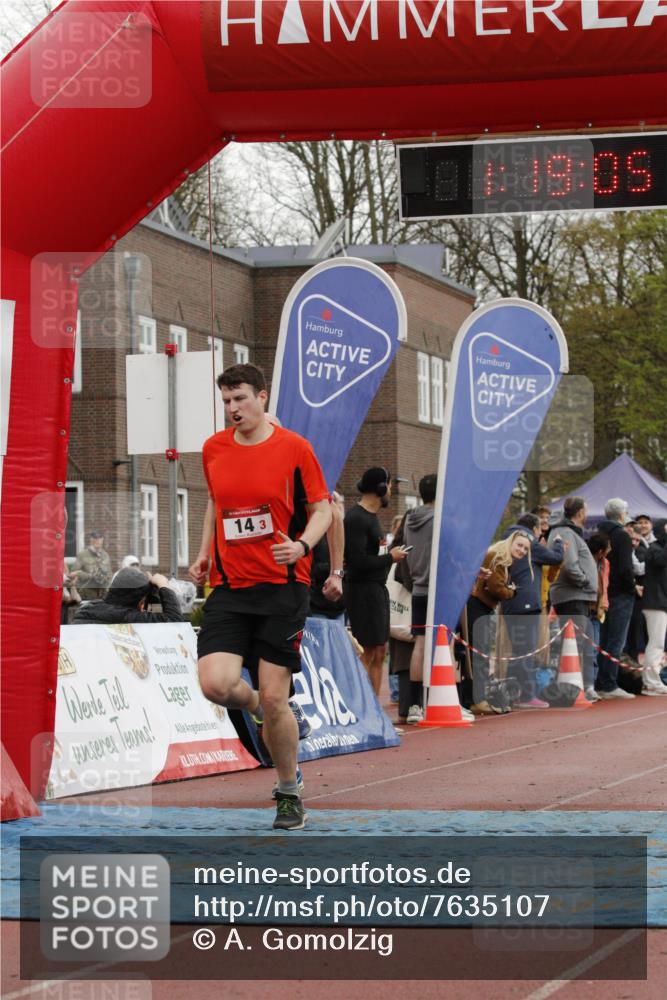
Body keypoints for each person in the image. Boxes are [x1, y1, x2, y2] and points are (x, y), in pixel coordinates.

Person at [189, 363, 331, 832]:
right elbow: (215, 502)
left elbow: (323, 508)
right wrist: (204, 552)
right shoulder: (213, 449)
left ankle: (288, 792)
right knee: (216, 684)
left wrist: (303, 545)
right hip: (231, 587)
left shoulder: (294, 448)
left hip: (283, 588)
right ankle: (257, 709)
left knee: (275, 697)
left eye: (241, 399)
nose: (233, 409)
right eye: (226, 401)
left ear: (262, 397)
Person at [343, 467, 408, 695]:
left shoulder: (371, 519)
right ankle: (364, 709)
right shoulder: (355, 519)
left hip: (376, 590)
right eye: (389, 485)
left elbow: (372, 555)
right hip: (363, 592)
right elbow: (356, 561)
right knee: (367, 651)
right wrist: (392, 557)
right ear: (381, 488)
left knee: (379, 650)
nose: (390, 490)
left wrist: (390, 553)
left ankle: (374, 711)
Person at [501, 513, 565, 708]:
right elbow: (556, 558)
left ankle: (514, 693)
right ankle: (527, 696)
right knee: (527, 649)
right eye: (539, 530)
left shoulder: (508, 538)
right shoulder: (527, 541)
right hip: (527, 602)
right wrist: (559, 543)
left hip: (511, 602)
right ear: (534, 529)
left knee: (518, 650)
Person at [465, 530, 530, 715]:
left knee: (477, 654)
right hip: (477, 607)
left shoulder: (502, 560)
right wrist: (512, 591)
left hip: (481, 607)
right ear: (510, 542)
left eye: (525, 548)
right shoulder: (498, 557)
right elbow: (496, 588)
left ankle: (472, 698)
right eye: (519, 545)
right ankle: (477, 700)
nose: (522, 550)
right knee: (479, 654)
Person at [548, 496, 599, 702]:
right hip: (573, 595)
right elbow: (569, 564)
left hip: (577, 595)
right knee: (574, 644)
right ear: (580, 513)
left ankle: (578, 687)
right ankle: (570, 689)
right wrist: (585, 581)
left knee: (579, 644)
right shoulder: (564, 532)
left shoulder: (568, 532)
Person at [402, 473, 437, 725]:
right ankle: (438, 700)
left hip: (418, 586)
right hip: (436, 587)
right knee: (441, 644)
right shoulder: (438, 519)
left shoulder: (409, 519)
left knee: (420, 643)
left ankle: (415, 703)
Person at [595, 498, 637, 699]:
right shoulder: (622, 536)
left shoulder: (598, 533)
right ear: (622, 515)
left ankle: (599, 680)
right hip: (620, 594)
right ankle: (609, 684)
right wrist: (632, 588)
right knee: (616, 640)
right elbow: (626, 568)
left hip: (603, 593)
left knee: (603, 638)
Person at [71, 567, 184, 624]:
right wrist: (163, 586)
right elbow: (174, 621)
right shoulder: (129, 617)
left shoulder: (85, 611)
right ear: (140, 601)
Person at [309, 491, 345, 623]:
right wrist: (335, 569)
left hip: (339, 605)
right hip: (318, 604)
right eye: (335, 503)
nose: (339, 508)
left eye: (341, 503)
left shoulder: (342, 534)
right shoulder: (315, 533)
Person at [641, 518, 667, 695]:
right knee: (656, 643)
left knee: (658, 643)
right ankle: (651, 682)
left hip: (660, 602)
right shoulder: (654, 548)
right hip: (655, 603)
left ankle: (652, 680)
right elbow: (661, 561)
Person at [73, 530, 112, 600]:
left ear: (102, 540)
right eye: (95, 539)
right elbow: (74, 573)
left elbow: (109, 573)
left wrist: (105, 578)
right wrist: (90, 576)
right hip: (87, 593)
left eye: (100, 539)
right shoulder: (82, 555)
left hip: (102, 593)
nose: (98, 541)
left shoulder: (105, 555)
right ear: (91, 540)